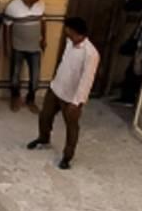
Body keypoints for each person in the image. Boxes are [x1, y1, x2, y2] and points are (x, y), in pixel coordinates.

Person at [28, 16, 99, 168]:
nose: (65, 32)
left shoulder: (91, 53)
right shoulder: (69, 43)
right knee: (45, 116)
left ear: (74, 31)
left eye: (67, 29)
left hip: (72, 98)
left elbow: (87, 80)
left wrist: (77, 102)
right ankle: (43, 138)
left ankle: (67, 157)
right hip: (56, 88)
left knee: (71, 127)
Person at [3, 0, 46, 110]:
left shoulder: (41, 5)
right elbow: (7, 28)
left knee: (35, 77)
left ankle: (30, 99)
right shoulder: (13, 7)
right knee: (15, 76)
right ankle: (15, 98)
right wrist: (7, 46)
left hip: (35, 48)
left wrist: (44, 39)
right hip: (18, 47)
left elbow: (43, 22)